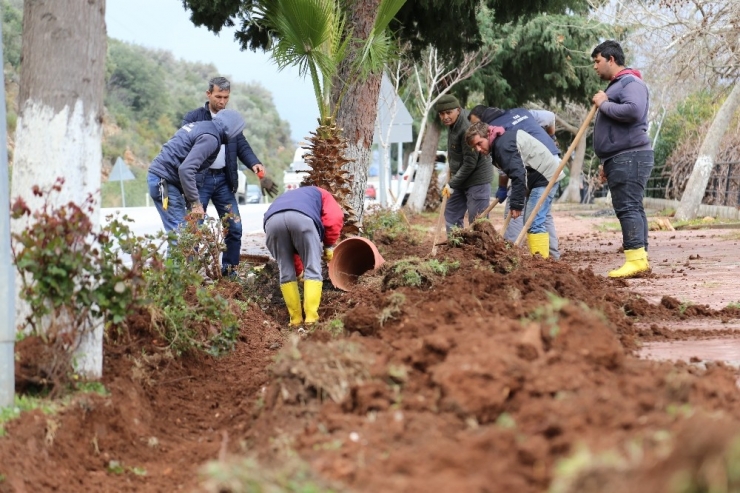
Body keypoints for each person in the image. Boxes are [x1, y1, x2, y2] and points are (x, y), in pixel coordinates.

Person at [182, 76, 277, 276]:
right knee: (194, 229)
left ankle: (229, 271)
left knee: (234, 227)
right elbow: (183, 147)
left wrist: (256, 166)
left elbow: (242, 146)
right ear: (208, 94)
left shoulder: (230, 121)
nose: (222, 102)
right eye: (218, 96)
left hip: (224, 182)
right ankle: (189, 276)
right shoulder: (194, 118)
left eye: (226, 97)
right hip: (200, 182)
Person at [591, 40, 654, 278]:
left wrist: (604, 103)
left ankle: (636, 259)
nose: (595, 67)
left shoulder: (630, 82)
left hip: (630, 156)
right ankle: (640, 259)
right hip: (620, 157)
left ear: (611, 59)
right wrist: (605, 159)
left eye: (597, 61)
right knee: (632, 206)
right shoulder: (617, 85)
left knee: (628, 207)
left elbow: (633, 111)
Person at [469, 105, 561, 258]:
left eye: (475, 123)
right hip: (545, 161)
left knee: (520, 212)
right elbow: (550, 117)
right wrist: (551, 138)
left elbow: (509, 168)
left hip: (537, 167)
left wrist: (504, 188)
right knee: (540, 214)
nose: (473, 127)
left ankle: (510, 252)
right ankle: (551, 257)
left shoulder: (499, 134)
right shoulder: (521, 112)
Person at [147, 109, 245, 241]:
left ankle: (182, 261)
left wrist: (190, 201)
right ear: (231, 129)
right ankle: (179, 262)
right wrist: (195, 203)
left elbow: (193, 169)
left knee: (182, 236)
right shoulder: (211, 138)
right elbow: (186, 169)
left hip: (162, 178)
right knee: (181, 239)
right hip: (164, 182)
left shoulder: (203, 126)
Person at [264, 186, 344, 327]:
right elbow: (334, 218)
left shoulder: (288, 195)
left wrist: (298, 272)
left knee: (285, 272)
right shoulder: (323, 194)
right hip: (302, 219)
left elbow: (291, 252)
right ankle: (311, 318)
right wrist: (329, 245)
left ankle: (295, 320)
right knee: (313, 268)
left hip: (272, 223)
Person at [434, 94, 493, 232]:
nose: (445, 117)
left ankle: (479, 252)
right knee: (451, 214)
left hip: (476, 180)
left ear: (458, 110)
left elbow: (470, 163)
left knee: (478, 222)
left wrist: (451, 184)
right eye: (442, 114)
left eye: (449, 112)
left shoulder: (466, 128)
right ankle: (456, 250)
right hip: (460, 177)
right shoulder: (452, 124)